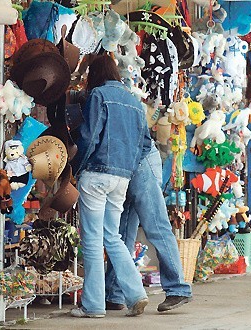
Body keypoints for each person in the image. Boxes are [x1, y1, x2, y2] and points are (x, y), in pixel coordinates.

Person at [71, 54, 150, 318]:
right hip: (121, 177)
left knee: (92, 241)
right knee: (112, 237)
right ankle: (136, 293)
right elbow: (146, 145)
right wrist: (127, 167)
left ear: (95, 74)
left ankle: (93, 306)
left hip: (96, 174)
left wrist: (77, 167)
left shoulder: (98, 96)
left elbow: (90, 135)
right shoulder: (135, 102)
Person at [105, 141, 193, 312]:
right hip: (127, 160)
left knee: (156, 225)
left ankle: (178, 288)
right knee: (121, 234)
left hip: (140, 158)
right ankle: (113, 294)